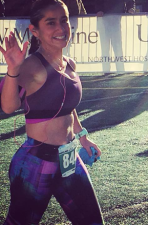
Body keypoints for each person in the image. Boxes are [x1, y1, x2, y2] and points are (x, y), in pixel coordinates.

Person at [0, 0, 104, 224]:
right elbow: (8, 106)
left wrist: (83, 137)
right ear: (35, 30)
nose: (60, 28)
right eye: (51, 23)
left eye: (64, 20)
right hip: (36, 162)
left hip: (69, 158)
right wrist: (13, 70)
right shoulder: (32, 66)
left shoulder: (69, 64)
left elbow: (68, 107)